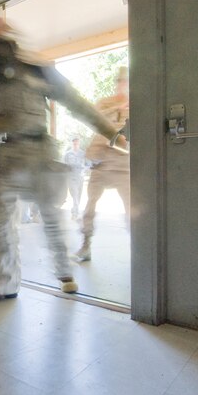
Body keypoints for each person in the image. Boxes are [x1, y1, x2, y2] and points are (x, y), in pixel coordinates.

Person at [0, 21, 120, 301]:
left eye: (0, 41)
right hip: (8, 155)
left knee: (50, 216)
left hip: (40, 153)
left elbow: (77, 103)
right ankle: (0, 284)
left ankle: (64, 274)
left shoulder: (38, 70)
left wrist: (111, 132)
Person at [76, 66, 130, 262]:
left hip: (123, 165)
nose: (122, 85)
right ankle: (85, 245)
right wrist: (117, 108)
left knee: (132, 209)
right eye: (120, 81)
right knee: (90, 206)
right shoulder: (106, 103)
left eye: (126, 81)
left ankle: (138, 247)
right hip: (101, 162)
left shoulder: (136, 106)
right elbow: (94, 119)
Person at [63, 137, 87, 220]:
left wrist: (85, 170)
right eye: (74, 142)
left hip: (80, 177)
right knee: (75, 195)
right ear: (72, 143)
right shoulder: (67, 154)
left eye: (77, 142)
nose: (75, 144)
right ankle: (75, 213)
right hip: (71, 177)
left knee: (78, 196)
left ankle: (74, 210)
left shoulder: (83, 153)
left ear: (79, 143)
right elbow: (64, 165)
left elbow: (87, 164)